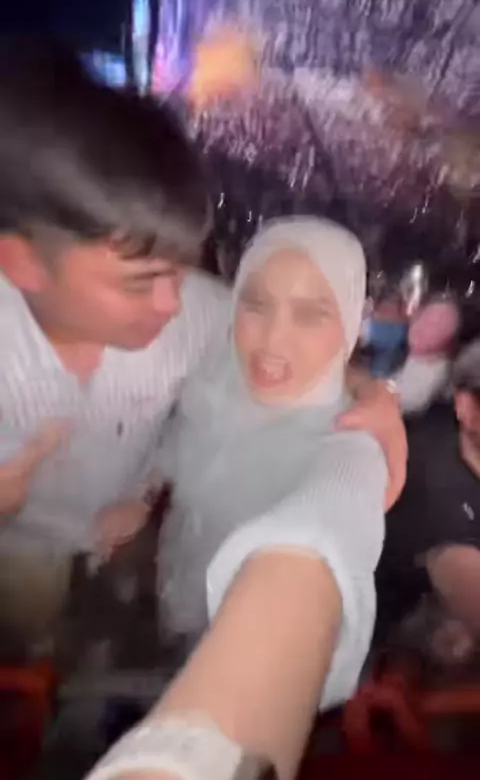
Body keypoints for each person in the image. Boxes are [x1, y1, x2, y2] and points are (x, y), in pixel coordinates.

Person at [0, 41, 403, 660]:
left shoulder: (193, 311)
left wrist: (371, 393)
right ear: (23, 263)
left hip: (126, 542)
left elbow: (279, 342)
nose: (172, 304)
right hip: (20, 558)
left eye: (180, 269)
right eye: (139, 283)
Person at [85, 216, 387, 780]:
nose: (270, 341)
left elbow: (325, 527)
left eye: (310, 314)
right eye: (256, 304)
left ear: (349, 324)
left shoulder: (348, 440)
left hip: (243, 622)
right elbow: (180, 440)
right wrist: (144, 495)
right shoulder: (220, 373)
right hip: (180, 576)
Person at [376, 338, 480, 660]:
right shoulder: (436, 487)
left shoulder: (451, 430)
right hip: (380, 643)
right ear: (466, 407)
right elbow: (463, 575)